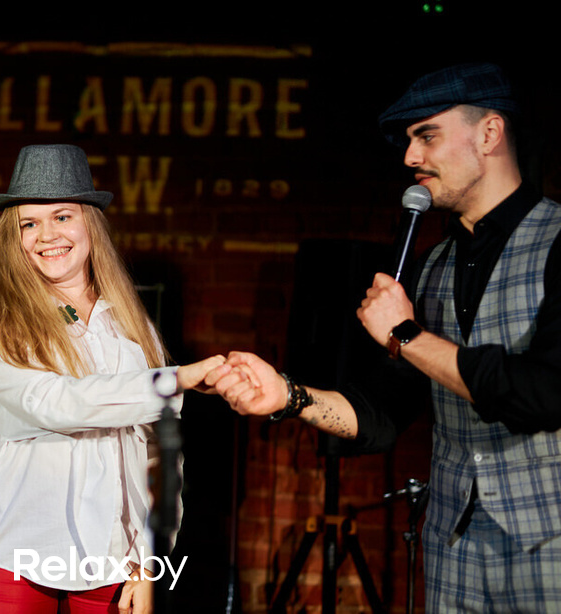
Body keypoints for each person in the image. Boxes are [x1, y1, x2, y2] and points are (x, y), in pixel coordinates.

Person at [206, 63, 561, 612]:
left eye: (427, 136)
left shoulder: (557, 241)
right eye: (408, 141)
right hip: (453, 549)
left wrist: (405, 334)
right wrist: (290, 396)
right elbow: (384, 410)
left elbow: (545, 393)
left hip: (549, 546)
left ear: (490, 133)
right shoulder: (432, 267)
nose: (410, 157)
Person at [0, 144, 224, 613]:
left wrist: (149, 561)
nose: (46, 235)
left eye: (62, 217)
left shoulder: (130, 322)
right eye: (28, 223)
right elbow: (51, 403)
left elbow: (160, 454)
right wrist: (172, 382)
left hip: (112, 557)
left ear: (90, 225)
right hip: (16, 548)